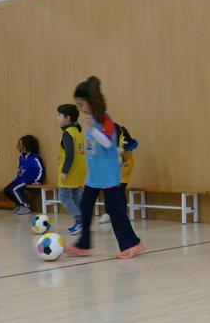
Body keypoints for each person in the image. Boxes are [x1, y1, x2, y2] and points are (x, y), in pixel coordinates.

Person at [63, 77, 144, 259]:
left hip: (108, 175)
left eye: (81, 104)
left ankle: (133, 243)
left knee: (114, 209)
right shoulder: (91, 119)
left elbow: (107, 142)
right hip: (94, 176)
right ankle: (83, 245)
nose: (80, 109)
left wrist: (93, 130)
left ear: (91, 102)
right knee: (85, 205)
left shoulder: (104, 118)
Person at [56, 104, 87, 236]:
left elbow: (70, 155)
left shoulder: (67, 133)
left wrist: (64, 171)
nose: (57, 117)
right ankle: (83, 221)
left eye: (59, 115)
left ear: (67, 118)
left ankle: (79, 220)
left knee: (63, 196)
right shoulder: (77, 131)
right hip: (80, 170)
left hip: (70, 171)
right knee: (76, 197)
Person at [100, 124, 138, 224]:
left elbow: (134, 143)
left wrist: (124, 149)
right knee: (107, 189)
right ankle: (109, 213)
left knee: (120, 190)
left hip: (124, 168)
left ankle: (123, 213)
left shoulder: (123, 139)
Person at [3, 135, 45, 215]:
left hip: (28, 179)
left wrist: (39, 180)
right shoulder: (21, 157)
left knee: (14, 189)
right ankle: (19, 204)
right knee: (6, 190)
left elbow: (41, 170)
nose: (20, 147)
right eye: (20, 145)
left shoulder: (35, 158)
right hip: (20, 179)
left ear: (29, 145)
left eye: (22, 145)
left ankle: (25, 206)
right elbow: (20, 168)